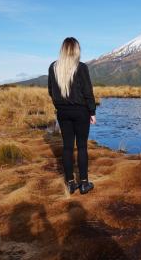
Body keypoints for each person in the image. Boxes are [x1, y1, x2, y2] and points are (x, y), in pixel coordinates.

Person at [48, 37, 96, 194]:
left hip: (63, 112)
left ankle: (70, 183)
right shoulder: (81, 67)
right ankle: (84, 183)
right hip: (81, 111)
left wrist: (59, 106)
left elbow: (51, 91)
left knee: (67, 147)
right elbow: (88, 92)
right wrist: (92, 112)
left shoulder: (53, 67)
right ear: (76, 50)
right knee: (82, 146)